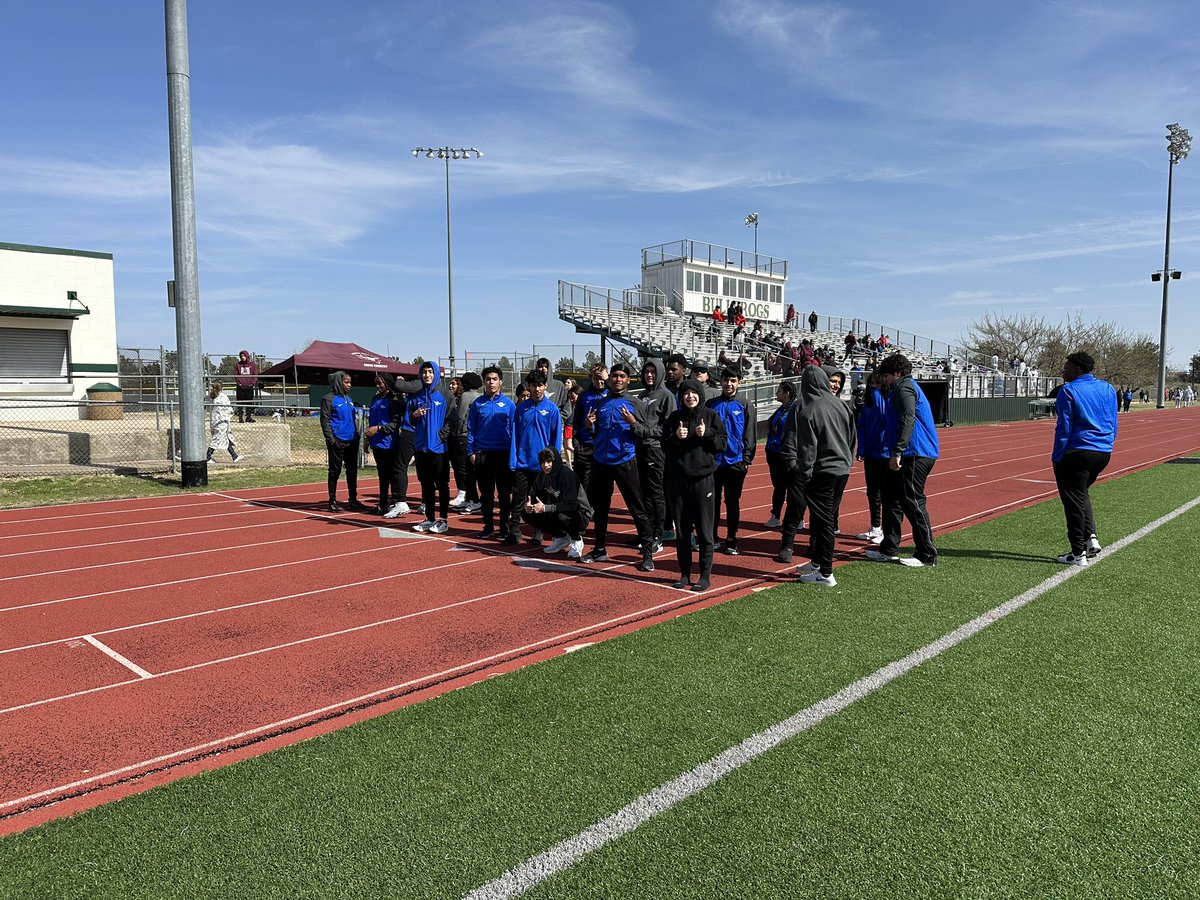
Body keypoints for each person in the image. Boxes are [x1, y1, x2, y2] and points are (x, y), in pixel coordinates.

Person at [782, 365, 856, 586]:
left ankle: (825, 572)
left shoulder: (809, 410)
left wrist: (804, 474)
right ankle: (817, 562)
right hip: (842, 469)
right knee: (826, 518)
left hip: (823, 471)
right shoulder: (843, 406)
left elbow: (808, 449)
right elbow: (852, 436)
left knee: (823, 522)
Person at [866, 353, 939, 568]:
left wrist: (897, 451)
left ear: (897, 373)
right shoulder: (900, 388)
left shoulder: (904, 387)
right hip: (909, 452)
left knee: (913, 500)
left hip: (915, 452)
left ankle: (927, 553)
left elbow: (908, 417)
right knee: (891, 498)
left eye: (887, 375)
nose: (885, 379)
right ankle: (889, 548)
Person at [582, 363, 654, 571]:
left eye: (622, 376)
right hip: (601, 462)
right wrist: (590, 426)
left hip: (625, 461)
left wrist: (633, 423)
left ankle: (648, 553)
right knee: (600, 508)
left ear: (628, 380)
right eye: (614, 376)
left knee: (637, 508)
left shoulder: (635, 404)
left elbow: (646, 433)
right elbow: (596, 433)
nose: (617, 379)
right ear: (609, 378)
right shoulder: (601, 403)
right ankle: (599, 549)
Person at [1051, 351, 1117, 566]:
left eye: (1067, 367)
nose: (1063, 370)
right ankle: (1091, 538)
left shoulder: (1068, 390)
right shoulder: (1107, 387)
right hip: (1102, 452)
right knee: (1081, 495)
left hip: (1077, 452)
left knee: (1072, 502)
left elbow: (1064, 427)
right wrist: (1107, 444)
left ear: (1078, 369)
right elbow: (1113, 420)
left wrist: (1057, 455)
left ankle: (1077, 553)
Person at [663, 379, 726, 591]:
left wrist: (707, 434)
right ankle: (684, 574)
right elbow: (664, 446)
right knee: (682, 532)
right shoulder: (674, 418)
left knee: (705, 532)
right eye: (686, 393)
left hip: (703, 481)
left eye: (694, 392)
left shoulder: (710, 416)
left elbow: (722, 444)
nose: (690, 396)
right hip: (678, 481)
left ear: (700, 394)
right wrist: (675, 437)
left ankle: (705, 576)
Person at [505, 370, 563, 546]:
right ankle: (514, 531)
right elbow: (515, 435)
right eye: (533, 385)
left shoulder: (552, 409)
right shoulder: (521, 408)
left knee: (540, 499)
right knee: (518, 499)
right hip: (522, 462)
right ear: (528, 387)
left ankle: (538, 532)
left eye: (540, 385)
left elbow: (556, 438)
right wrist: (513, 460)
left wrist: (554, 463)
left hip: (542, 465)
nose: (537, 389)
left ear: (545, 386)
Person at [708, 368, 756, 555]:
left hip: (735, 462)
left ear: (739, 382)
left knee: (732, 502)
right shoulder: (711, 404)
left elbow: (749, 433)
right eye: (726, 380)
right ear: (720, 381)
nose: (729, 384)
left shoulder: (745, 405)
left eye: (733, 380)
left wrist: (746, 460)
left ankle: (731, 538)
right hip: (713, 463)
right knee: (712, 502)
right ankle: (712, 536)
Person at [631, 358, 676, 556]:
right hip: (640, 449)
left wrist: (644, 431)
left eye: (653, 372)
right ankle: (647, 533)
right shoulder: (642, 395)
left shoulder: (666, 396)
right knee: (644, 494)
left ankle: (659, 535)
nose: (649, 375)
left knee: (656, 493)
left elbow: (669, 427)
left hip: (656, 450)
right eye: (646, 371)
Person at [467, 365, 515, 539]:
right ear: (483, 382)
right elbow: (471, 428)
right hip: (483, 454)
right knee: (486, 495)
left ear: (500, 381)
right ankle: (488, 526)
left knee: (504, 494)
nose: (491, 382)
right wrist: (471, 452)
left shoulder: (509, 404)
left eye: (494, 379)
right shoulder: (477, 404)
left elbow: (514, 430)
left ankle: (504, 526)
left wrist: (513, 453)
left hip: (503, 454)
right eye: (488, 379)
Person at [523, 447, 592, 560]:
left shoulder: (566, 475)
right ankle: (561, 537)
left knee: (562, 516)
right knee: (526, 513)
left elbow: (571, 504)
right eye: (543, 462)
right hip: (556, 509)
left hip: (579, 513)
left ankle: (576, 539)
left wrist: (545, 508)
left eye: (549, 462)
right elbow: (534, 495)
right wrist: (529, 505)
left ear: (555, 461)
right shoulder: (541, 476)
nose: (546, 465)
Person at [409, 360, 453, 534]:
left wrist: (441, 436)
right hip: (421, 448)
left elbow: (453, 420)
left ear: (436, 374)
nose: (427, 375)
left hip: (439, 449)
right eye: (424, 372)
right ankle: (429, 518)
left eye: (430, 372)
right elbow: (409, 420)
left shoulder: (445, 394)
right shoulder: (417, 396)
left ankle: (443, 520)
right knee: (425, 484)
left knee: (441, 484)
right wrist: (415, 414)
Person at [320, 370, 366, 512]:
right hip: (338, 441)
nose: (349, 385)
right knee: (335, 471)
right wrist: (331, 439)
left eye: (350, 382)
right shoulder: (328, 399)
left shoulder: (349, 399)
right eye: (346, 382)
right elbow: (325, 420)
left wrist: (357, 435)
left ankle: (353, 499)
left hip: (352, 440)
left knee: (352, 471)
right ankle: (332, 500)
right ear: (339, 383)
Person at [854, 371, 889, 544]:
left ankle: (886, 530)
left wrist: (875, 393)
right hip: (871, 453)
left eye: (877, 383)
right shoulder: (868, 405)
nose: (873, 387)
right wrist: (862, 447)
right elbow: (861, 426)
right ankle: (876, 527)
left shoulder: (885, 401)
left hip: (885, 453)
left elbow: (884, 416)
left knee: (885, 493)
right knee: (872, 492)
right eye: (872, 383)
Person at [364, 373, 402, 516]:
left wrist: (379, 429)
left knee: (391, 475)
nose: (378, 386)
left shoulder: (394, 399)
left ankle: (395, 503)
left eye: (380, 383)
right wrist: (367, 440)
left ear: (387, 383)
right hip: (376, 443)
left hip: (389, 444)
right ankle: (382, 504)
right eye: (376, 383)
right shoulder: (375, 398)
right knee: (382, 476)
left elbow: (394, 424)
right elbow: (371, 422)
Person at [446, 372, 482, 513]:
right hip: (473, 435)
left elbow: (460, 416)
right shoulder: (479, 396)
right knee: (468, 470)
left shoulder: (466, 396)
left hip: (463, 435)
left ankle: (473, 500)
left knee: (464, 470)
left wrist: (456, 430)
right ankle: (469, 499)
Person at [571, 362, 608, 493]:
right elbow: (576, 420)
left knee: (599, 483)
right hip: (585, 445)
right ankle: (581, 510)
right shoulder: (584, 396)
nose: (599, 381)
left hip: (603, 445)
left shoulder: (610, 394)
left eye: (601, 378)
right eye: (595, 378)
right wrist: (576, 442)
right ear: (590, 378)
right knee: (581, 482)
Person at [763, 380, 796, 529]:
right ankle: (775, 515)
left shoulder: (794, 411)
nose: (776, 393)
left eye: (779, 391)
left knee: (791, 487)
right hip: (773, 454)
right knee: (778, 487)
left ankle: (796, 517)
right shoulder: (780, 410)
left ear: (787, 394)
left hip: (786, 455)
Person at [206, 381, 242, 464]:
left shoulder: (212, 396)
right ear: (222, 389)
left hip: (215, 420)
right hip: (222, 420)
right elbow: (228, 408)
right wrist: (231, 413)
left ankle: (234, 456)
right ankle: (207, 457)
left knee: (225, 438)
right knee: (217, 439)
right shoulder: (223, 397)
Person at [233, 350, 259, 423]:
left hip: (249, 386)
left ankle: (248, 417)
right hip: (240, 387)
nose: (242, 357)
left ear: (247, 356)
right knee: (240, 402)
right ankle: (240, 418)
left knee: (249, 403)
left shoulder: (252, 365)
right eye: (241, 356)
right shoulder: (237, 365)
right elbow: (235, 374)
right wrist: (239, 383)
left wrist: (252, 383)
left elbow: (255, 374)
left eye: (244, 356)